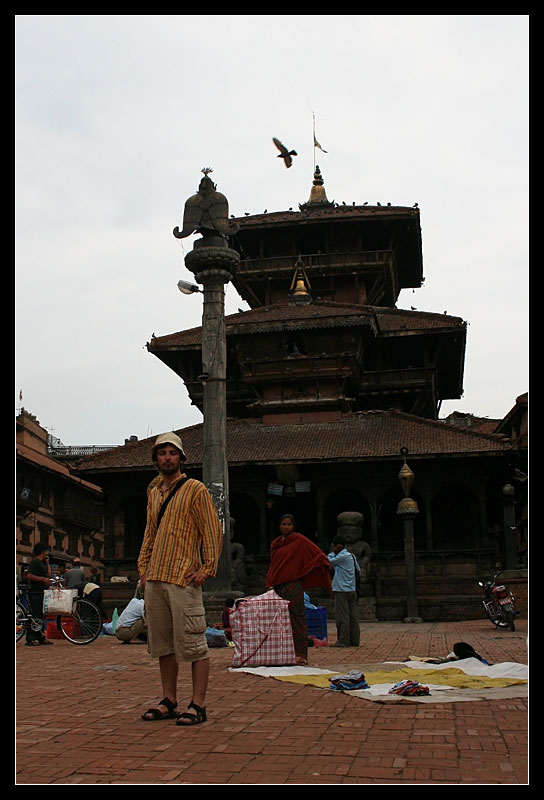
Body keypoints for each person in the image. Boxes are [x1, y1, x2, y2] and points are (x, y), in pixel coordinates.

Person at [137, 432, 222, 726]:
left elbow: (212, 529)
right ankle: (169, 700)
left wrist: (207, 568)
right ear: (156, 459)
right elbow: (149, 534)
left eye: (172, 453)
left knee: (195, 644)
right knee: (163, 645)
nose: (167, 458)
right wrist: (143, 570)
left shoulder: (195, 489)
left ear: (181, 458)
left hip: (183, 577)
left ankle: (198, 704)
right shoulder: (154, 493)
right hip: (156, 577)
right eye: (162, 453)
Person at [265, 514, 332, 666]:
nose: (286, 527)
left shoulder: (299, 540)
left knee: (297, 618)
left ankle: (301, 654)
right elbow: (273, 565)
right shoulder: (276, 543)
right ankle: (285, 653)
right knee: (281, 620)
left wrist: (309, 569)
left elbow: (317, 554)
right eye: (283, 524)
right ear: (279, 526)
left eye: (289, 524)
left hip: (293, 584)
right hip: (278, 585)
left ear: (293, 526)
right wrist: (269, 582)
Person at [328, 535, 361, 648]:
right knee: (353, 617)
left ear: (337, 546)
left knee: (342, 617)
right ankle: (354, 640)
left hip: (341, 590)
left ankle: (343, 640)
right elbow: (358, 570)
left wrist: (332, 553)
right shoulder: (351, 556)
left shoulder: (341, 557)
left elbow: (328, 561)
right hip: (352, 589)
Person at [25, 543, 53, 646]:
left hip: (42, 592)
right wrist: (42, 579)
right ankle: (31, 638)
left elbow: (48, 575)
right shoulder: (35, 562)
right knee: (35, 615)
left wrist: (47, 563)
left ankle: (41, 636)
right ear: (43, 551)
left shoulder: (41, 563)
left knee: (41, 615)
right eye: (46, 551)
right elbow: (29, 575)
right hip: (35, 592)